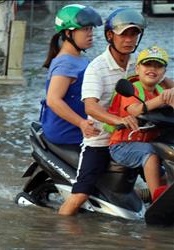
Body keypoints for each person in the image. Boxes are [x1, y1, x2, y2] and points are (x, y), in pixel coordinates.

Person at [58, 7, 155, 215]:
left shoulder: (138, 63)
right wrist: (118, 120)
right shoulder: (97, 68)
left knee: (160, 169)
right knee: (80, 195)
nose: (129, 39)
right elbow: (90, 106)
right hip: (101, 140)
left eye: (134, 34)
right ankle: (58, 234)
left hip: (133, 138)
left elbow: (161, 81)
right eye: (124, 34)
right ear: (110, 36)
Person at [108, 46, 174, 201]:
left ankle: (157, 196)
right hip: (122, 145)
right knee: (150, 155)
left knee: (165, 172)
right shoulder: (131, 88)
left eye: (158, 66)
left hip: (150, 143)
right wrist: (162, 99)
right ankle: (156, 199)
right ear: (137, 68)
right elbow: (135, 110)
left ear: (164, 73)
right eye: (148, 64)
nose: (152, 69)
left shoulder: (159, 90)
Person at [40, 4, 103, 146]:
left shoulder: (76, 58)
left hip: (80, 127)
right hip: (69, 132)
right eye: (85, 29)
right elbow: (53, 100)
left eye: (91, 28)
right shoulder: (65, 64)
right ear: (68, 33)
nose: (90, 33)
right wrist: (81, 123)